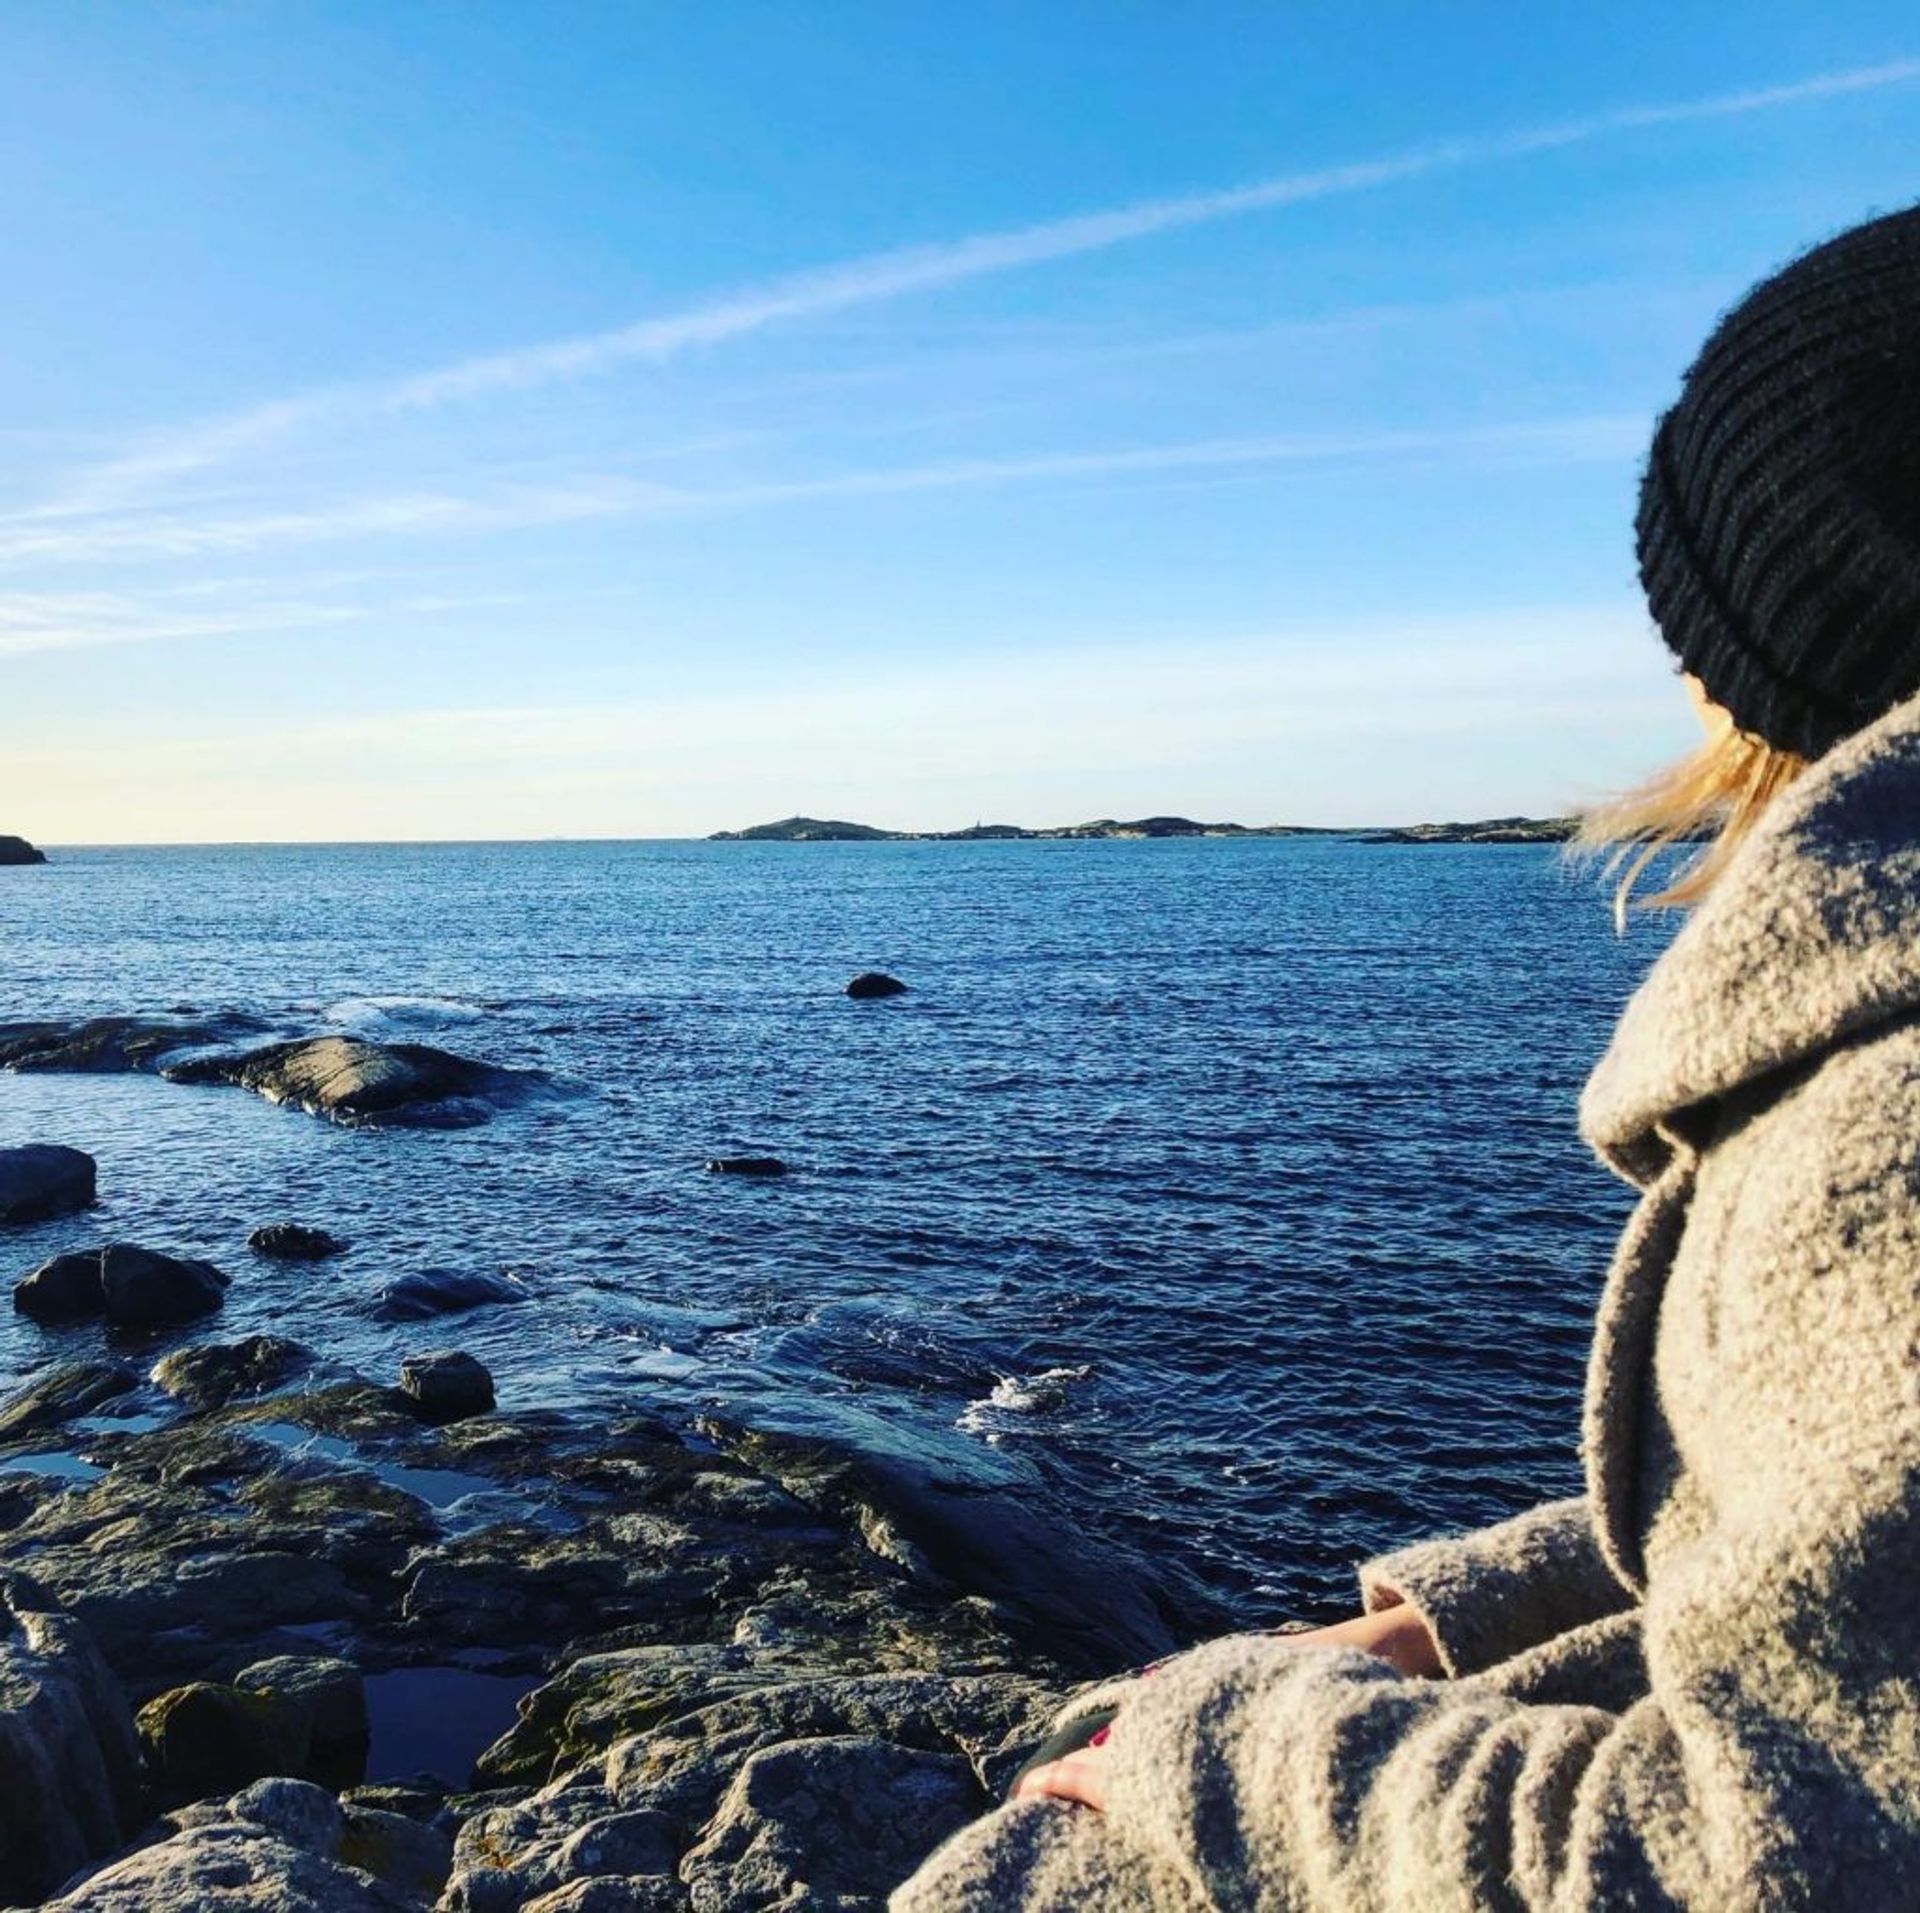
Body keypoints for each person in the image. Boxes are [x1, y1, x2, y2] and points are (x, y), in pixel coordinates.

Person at [893, 202, 1920, 1909]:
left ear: (1778, 637)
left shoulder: (1879, 1131)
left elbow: (1774, 1865)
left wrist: (1231, 1729)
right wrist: (1449, 1613)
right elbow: (1858, 1525)